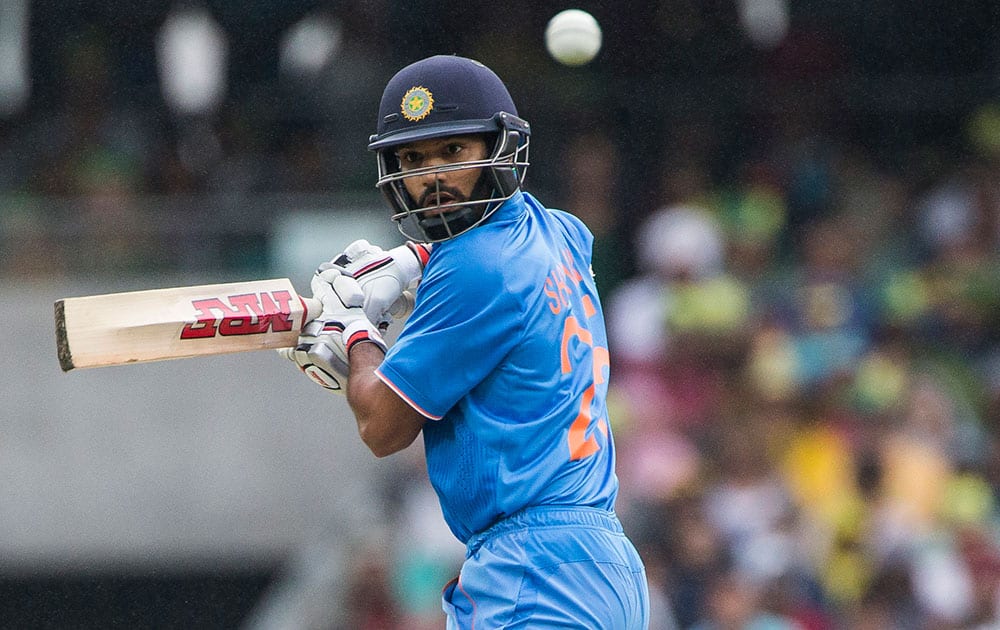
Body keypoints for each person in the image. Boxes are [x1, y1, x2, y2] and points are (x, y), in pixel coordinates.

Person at [282, 54, 650, 629]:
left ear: (499, 149)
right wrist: (409, 262)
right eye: (412, 158)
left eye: (453, 152)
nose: (431, 178)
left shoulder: (476, 267)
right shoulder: (559, 231)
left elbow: (382, 425)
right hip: (597, 563)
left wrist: (353, 327)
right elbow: (495, 254)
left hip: (532, 572)